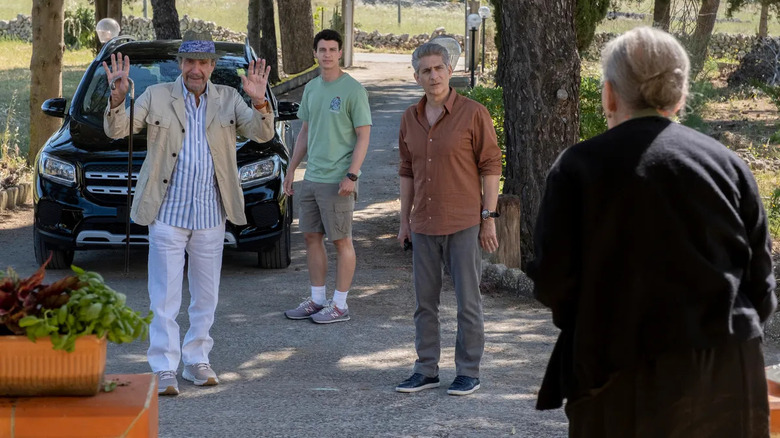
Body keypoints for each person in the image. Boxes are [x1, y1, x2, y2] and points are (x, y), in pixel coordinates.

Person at [528, 27, 777, 437]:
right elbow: (761, 283)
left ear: (609, 94)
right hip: (729, 373)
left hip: (619, 372)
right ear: (680, 96)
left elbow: (554, 282)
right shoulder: (728, 165)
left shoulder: (580, 167)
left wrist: (598, 323)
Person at [103, 30, 274, 396]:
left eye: (202, 62)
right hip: (167, 212)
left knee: (206, 295)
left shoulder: (228, 98)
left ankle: (197, 360)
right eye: (189, 62)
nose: (195, 69)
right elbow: (117, 128)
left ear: (212, 66)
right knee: (163, 296)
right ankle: (164, 367)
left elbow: (261, 134)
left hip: (211, 214)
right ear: (179, 64)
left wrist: (259, 102)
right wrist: (118, 96)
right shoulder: (156, 95)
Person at [394, 42, 502, 396]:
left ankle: (468, 371)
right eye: (426, 70)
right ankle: (425, 370)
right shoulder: (409, 118)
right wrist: (403, 221)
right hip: (423, 225)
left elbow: (490, 166)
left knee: (468, 302)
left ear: (449, 71)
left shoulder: (473, 113)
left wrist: (489, 217)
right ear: (416, 77)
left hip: (463, 223)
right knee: (424, 304)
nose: (433, 75)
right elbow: (407, 171)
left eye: (439, 68)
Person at [283, 29, 372, 324]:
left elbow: (363, 136)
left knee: (342, 241)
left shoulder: (353, 90)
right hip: (313, 177)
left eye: (333, 49)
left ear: (340, 53)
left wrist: (352, 175)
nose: (327, 54)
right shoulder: (311, 88)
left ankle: (340, 305)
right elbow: (305, 132)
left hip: (339, 180)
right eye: (322, 49)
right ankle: (317, 300)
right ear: (315, 53)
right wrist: (292, 168)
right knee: (311, 237)